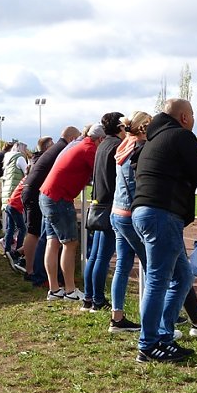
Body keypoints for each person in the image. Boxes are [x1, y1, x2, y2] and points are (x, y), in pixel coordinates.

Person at [131, 98, 197, 363]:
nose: (194, 121)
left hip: (147, 213)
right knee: (158, 280)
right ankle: (149, 343)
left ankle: (163, 337)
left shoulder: (153, 139)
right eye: (193, 116)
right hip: (161, 215)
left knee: (182, 277)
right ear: (185, 117)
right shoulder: (180, 136)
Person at [39, 124, 105, 301]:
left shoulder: (79, 145)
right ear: (100, 139)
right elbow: (101, 173)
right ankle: (70, 290)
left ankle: (54, 289)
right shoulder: (89, 149)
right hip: (59, 198)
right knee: (70, 243)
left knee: (53, 242)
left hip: (47, 194)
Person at [108, 111, 151, 333]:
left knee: (123, 265)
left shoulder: (123, 146)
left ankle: (117, 316)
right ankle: (156, 319)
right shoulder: (140, 149)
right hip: (130, 214)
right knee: (153, 267)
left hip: (117, 212)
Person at [82, 112, 125, 312]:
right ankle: (98, 300)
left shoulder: (102, 145)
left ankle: (89, 298)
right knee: (101, 257)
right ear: (120, 127)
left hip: (99, 203)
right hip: (109, 205)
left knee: (95, 255)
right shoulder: (116, 145)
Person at [22, 133, 76, 286]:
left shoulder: (39, 157)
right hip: (39, 194)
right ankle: (33, 271)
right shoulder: (59, 150)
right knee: (37, 234)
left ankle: (34, 271)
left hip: (36, 193)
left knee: (42, 235)